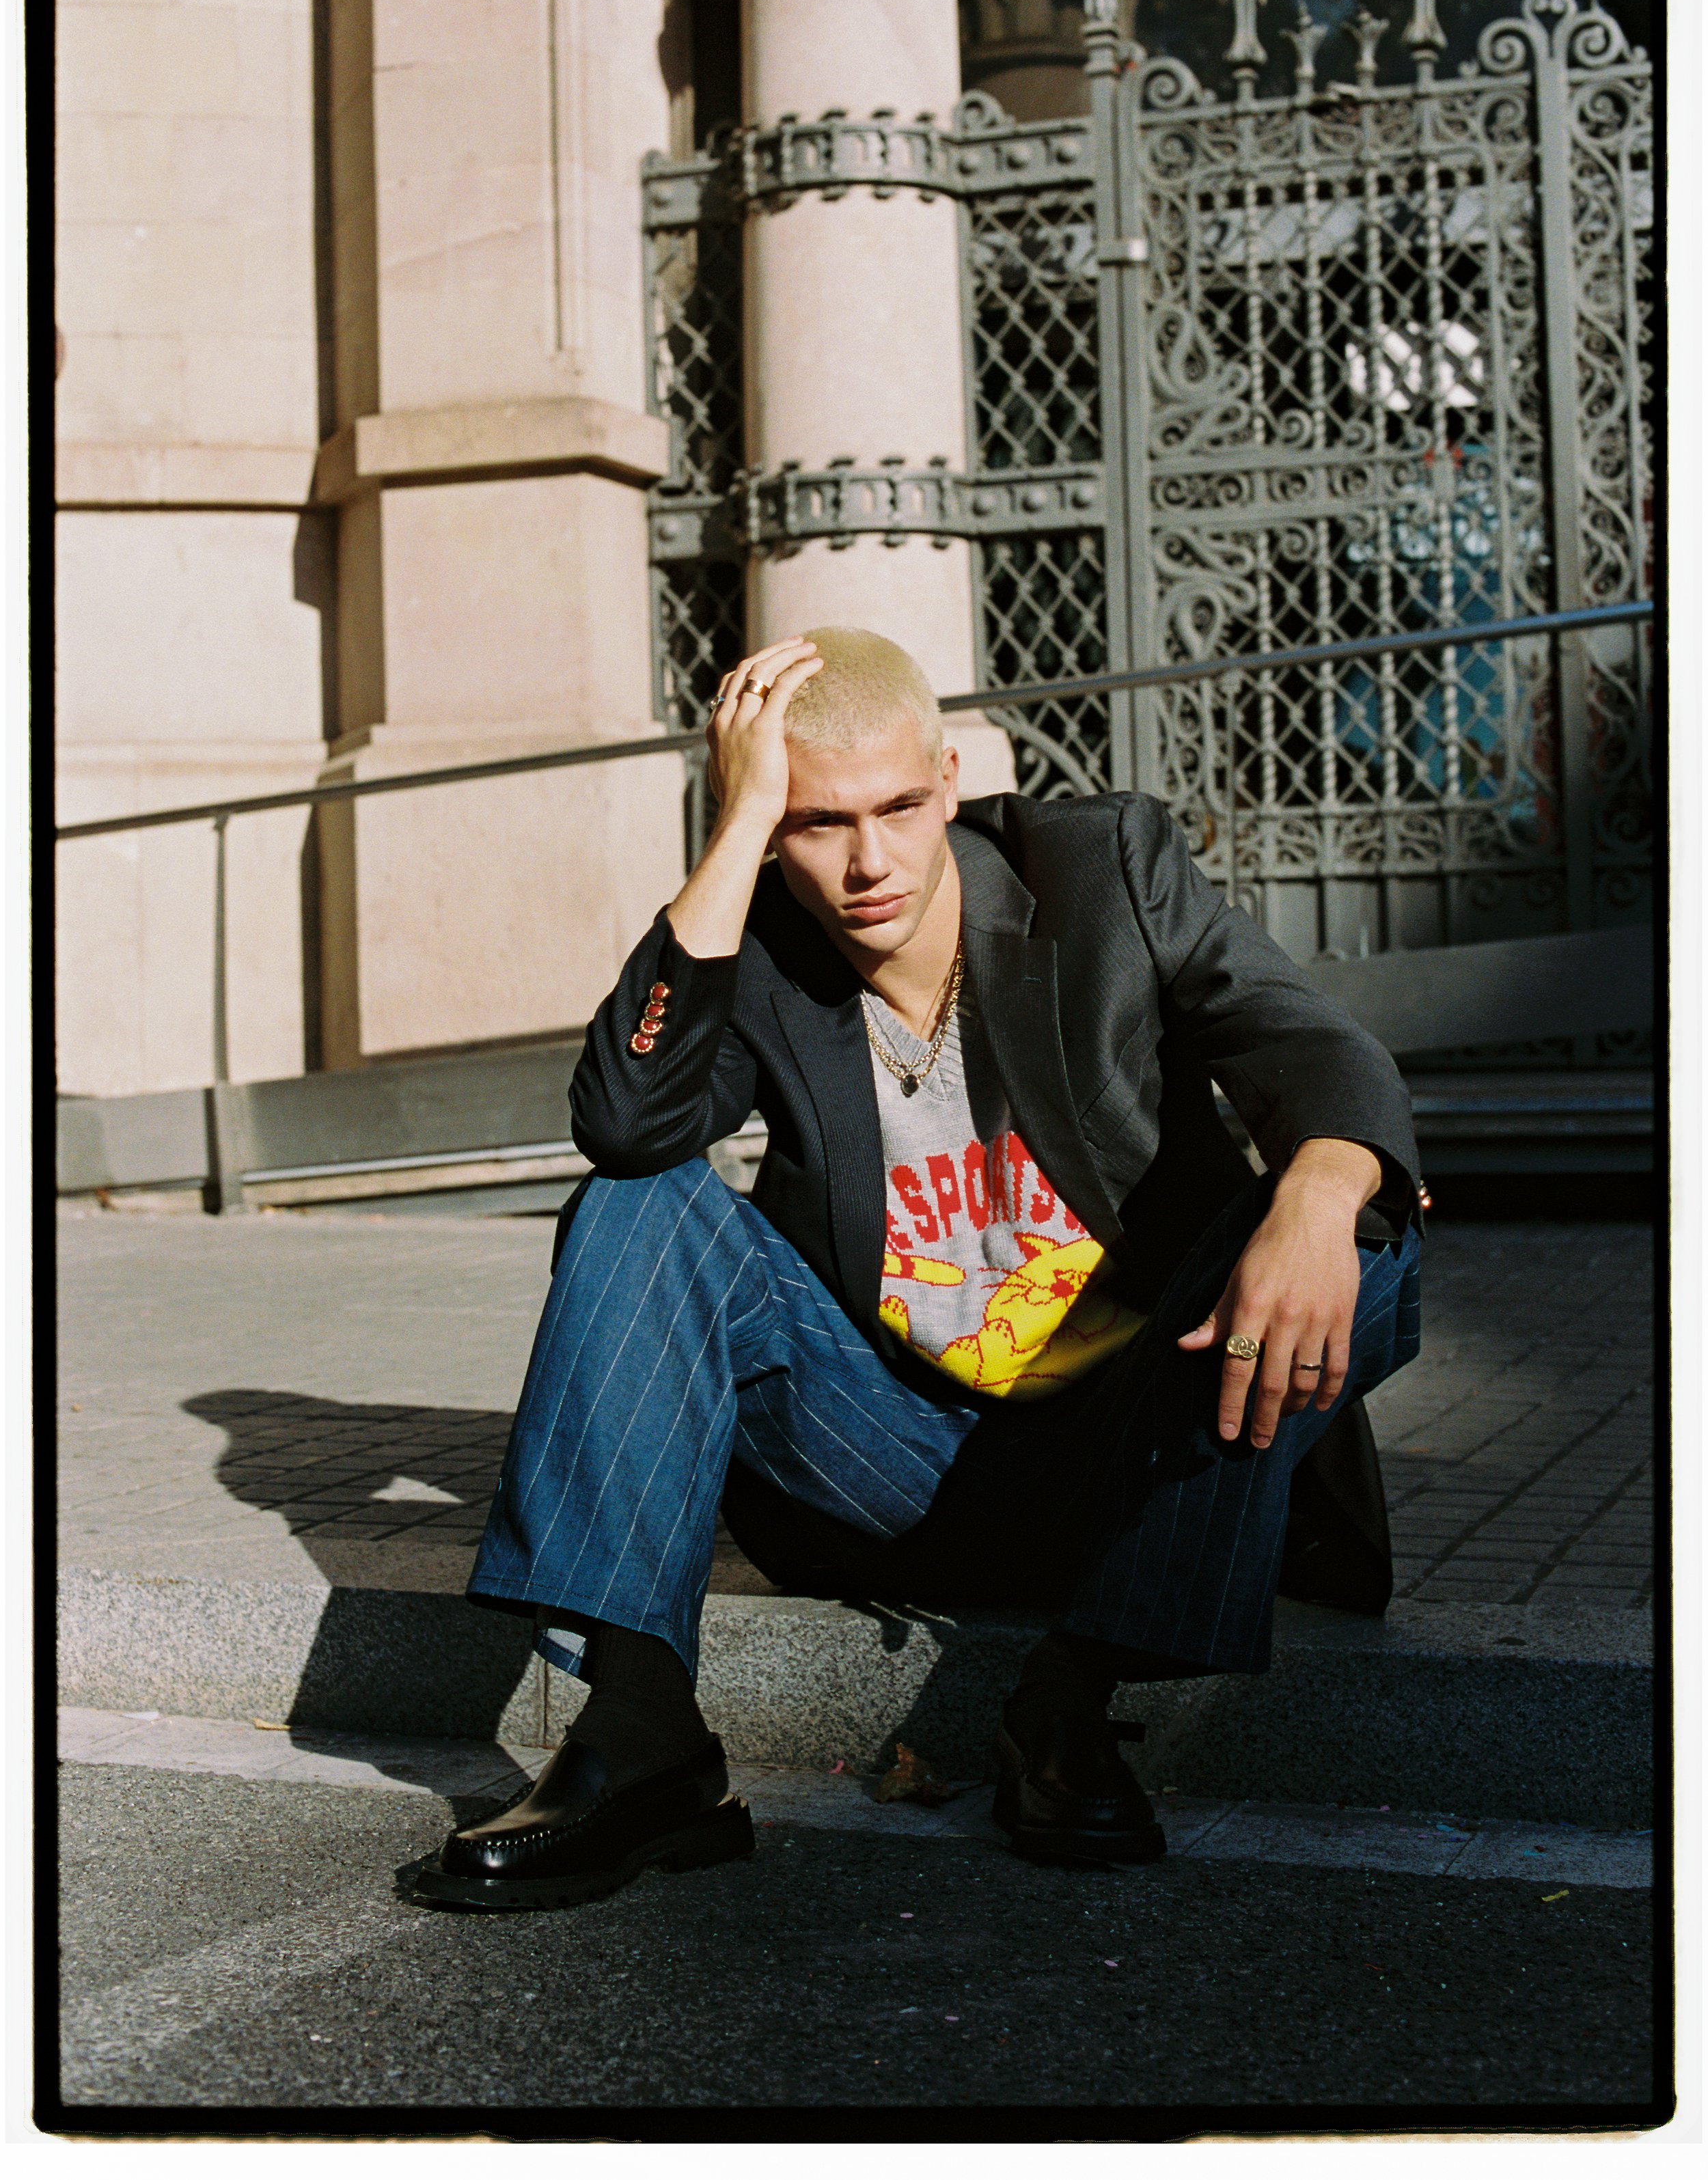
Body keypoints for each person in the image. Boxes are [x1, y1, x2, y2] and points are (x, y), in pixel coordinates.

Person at [411, 629, 1422, 1913]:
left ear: (950, 778)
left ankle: (1074, 1691)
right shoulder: (764, 945)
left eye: (898, 806)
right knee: (638, 1202)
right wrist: (733, 839)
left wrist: (1316, 1194)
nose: (870, 859)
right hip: (891, 1459)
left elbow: (1314, 1044)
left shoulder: (1102, 869)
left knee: (1360, 1233)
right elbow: (624, 1119)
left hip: (1143, 1440)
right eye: (819, 822)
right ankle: (644, 1733)